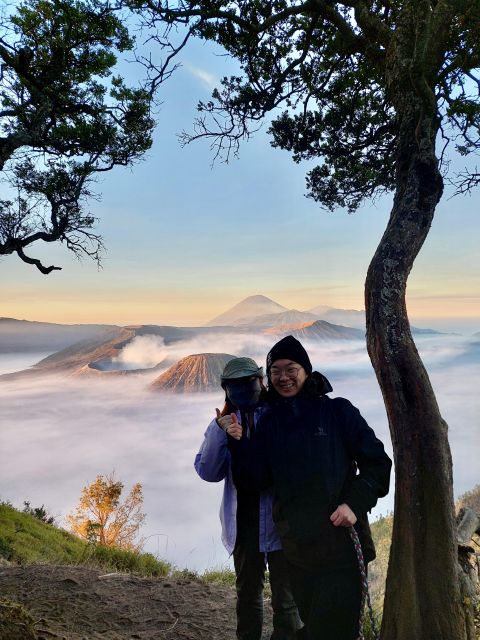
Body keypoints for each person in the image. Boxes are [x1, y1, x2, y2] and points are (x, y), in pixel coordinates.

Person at [229, 336, 392, 640]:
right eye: (275, 371)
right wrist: (238, 443)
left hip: (340, 550)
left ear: (306, 370)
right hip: (297, 553)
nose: (283, 377)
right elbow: (254, 480)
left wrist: (354, 504)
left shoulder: (337, 413)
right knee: (314, 626)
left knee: (328, 631)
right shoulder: (271, 423)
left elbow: (378, 464)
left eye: (291, 368)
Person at [194, 356, 301, 640]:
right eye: (235, 386)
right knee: (248, 597)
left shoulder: (280, 413)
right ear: (226, 390)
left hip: (282, 522)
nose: (244, 390)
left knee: (287, 600)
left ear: (260, 381)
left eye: (248, 383)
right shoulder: (223, 422)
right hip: (244, 525)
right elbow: (207, 471)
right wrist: (221, 432)